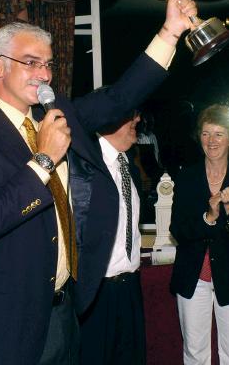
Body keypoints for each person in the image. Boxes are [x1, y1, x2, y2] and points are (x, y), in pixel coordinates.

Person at [0, 0, 197, 365]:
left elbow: (118, 99)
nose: (44, 75)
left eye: (48, 64)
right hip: (8, 322)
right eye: (31, 62)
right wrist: (44, 159)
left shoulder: (53, 115)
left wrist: (170, 33)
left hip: (64, 310)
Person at [169, 105, 229, 365]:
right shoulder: (187, 177)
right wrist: (209, 217)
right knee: (195, 354)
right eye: (206, 134)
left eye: (219, 134)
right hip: (192, 277)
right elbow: (178, 230)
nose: (211, 141)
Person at [80, 110, 146, 365]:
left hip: (130, 288)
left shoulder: (130, 164)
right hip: (96, 293)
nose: (137, 120)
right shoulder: (84, 167)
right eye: (130, 114)